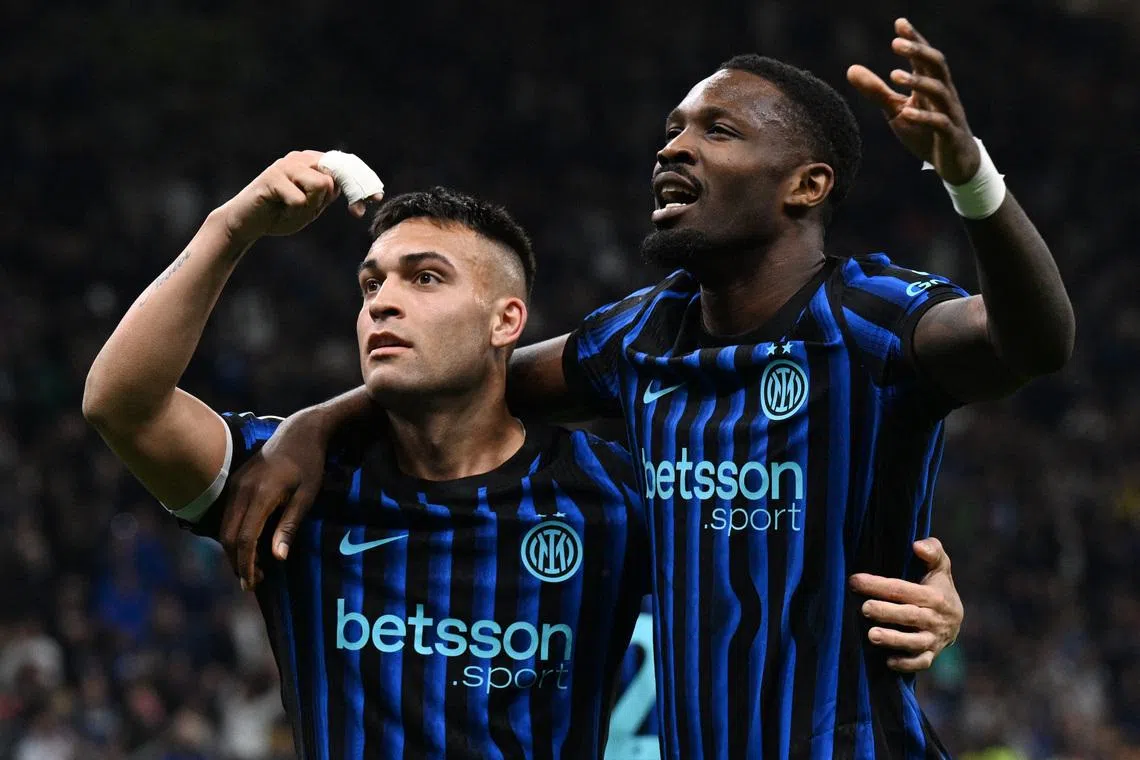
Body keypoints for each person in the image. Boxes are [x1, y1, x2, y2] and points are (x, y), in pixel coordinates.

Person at [220, 19, 1023, 758]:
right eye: (673, 128)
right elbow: (477, 376)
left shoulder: (869, 322)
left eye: (717, 129)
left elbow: (1029, 341)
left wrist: (972, 181)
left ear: (805, 186)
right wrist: (315, 425)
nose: (674, 148)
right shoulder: (643, 336)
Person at [83, 163, 660, 757]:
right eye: (371, 285)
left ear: (506, 321)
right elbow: (122, 405)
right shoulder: (297, 479)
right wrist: (230, 228)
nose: (383, 304)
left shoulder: (614, 498)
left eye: (427, 278)